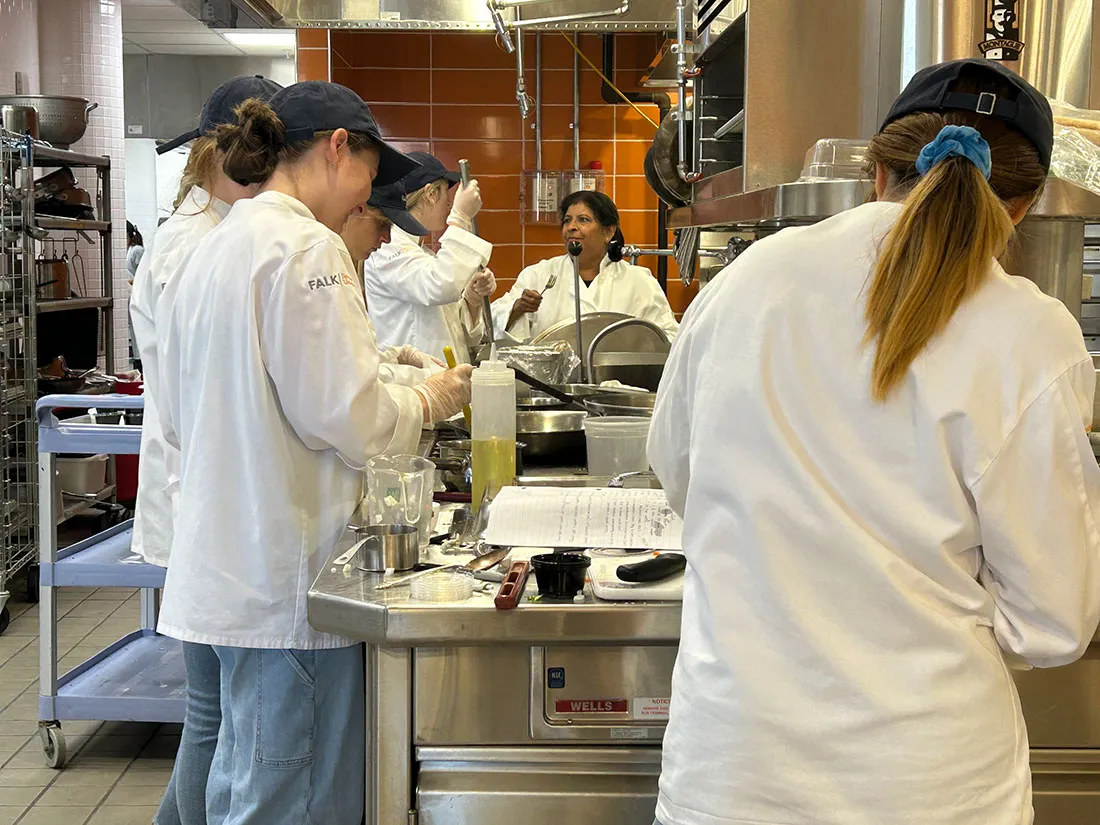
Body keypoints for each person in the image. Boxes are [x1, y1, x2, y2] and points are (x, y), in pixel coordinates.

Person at [648, 59, 1100, 825]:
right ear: (1021, 206)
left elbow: (678, 470)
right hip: (930, 787)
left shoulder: (746, 280)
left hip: (734, 777)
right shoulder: (1032, 333)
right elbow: (1055, 623)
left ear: (874, 172)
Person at [154, 81, 473, 825]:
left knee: (246, 785)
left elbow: (191, 406)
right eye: (368, 170)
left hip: (232, 568)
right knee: (289, 803)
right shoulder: (305, 245)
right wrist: (426, 401)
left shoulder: (218, 242)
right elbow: (351, 416)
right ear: (337, 149)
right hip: (287, 586)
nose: (368, 195)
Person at [130, 74, 282, 825]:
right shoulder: (195, 245)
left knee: (211, 711)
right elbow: (207, 396)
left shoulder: (206, 230)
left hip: (202, 497)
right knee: (212, 716)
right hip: (200, 499)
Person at [492, 190, 678, 342]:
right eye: (567, 220)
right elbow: (491, 322)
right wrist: (518, 308)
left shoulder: (639, 281)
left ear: (608, 231)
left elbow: (668, 337)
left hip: (622, 384)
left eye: (583, 220)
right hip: (550, 384)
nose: (572, 227)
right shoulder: (538, 275)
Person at [362, 151, 496, 363]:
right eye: (445, 193)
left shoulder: (423, 254)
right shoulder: (387, 249)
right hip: (412, 383)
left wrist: (472, 299)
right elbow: (439, 285)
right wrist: (460, 218)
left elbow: (452, 329)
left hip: (438, 379)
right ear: (430, 194)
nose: (449, 205)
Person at [342, 185, 444, 386]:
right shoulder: (317, 260)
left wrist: (392, 356)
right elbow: (342, 377)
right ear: (356, 211)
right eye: (382, 225)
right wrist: (423, 391)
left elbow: (355, 359)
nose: (386, 238)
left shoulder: (344, 264)